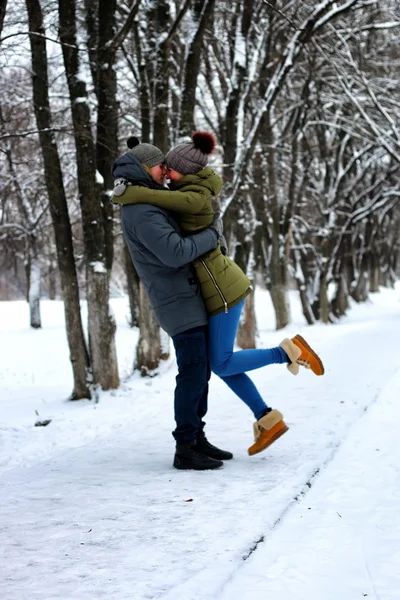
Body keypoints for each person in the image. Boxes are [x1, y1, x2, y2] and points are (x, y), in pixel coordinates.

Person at [113, 132, 325, 456]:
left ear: (183, 171)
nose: (166, 173)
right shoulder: (181, 193)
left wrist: (133, 193)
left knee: (221, 364)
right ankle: (267, 419)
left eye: (169, 168)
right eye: (161, 167)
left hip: (222, 289)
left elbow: (181, 230)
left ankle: (288, 352)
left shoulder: (190, 197)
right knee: (217, 364)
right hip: (211, 289)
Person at [112, 137, 233, 471]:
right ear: (143, 168)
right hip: (176, 301)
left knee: (200, 370)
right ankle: (185, 447)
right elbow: (174, 252)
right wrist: (213, 234)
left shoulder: (151, 203)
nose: (165, 172)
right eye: (159, 166)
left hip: (186, 295)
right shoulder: (140, 211)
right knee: (193, 372)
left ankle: (197, 437)